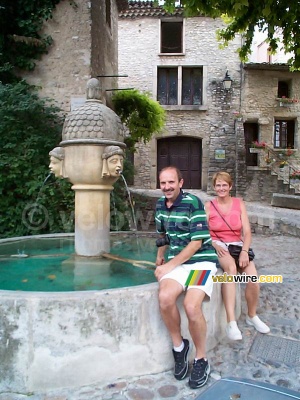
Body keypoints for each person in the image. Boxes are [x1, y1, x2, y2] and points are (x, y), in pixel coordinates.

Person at [155, 166, 218, 389]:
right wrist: (160, 258)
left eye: (171, 182)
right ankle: (180, 347)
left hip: (201, 262)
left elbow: (196, 243)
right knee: (165, 298)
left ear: (180, 183)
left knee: (192, 307)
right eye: (163, 183)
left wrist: (169, 265)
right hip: (177, 263)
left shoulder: (194, 203)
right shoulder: (160, 204)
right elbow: (162, 236)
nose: (167, 187)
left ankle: (201, 359)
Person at [205, 171, 270, 341]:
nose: (221, 188)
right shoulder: (209, 206)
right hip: (219, 246)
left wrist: (244, 251)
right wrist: (213, 243)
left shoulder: (239, 204)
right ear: (214, 187)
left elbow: (247, 232)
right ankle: (231, 322)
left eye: (224, 185)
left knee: (253, 278)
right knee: (231, 269)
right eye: (218, 185)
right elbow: (202, 232)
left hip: (238, 245)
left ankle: (252, 315)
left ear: (230, 186)